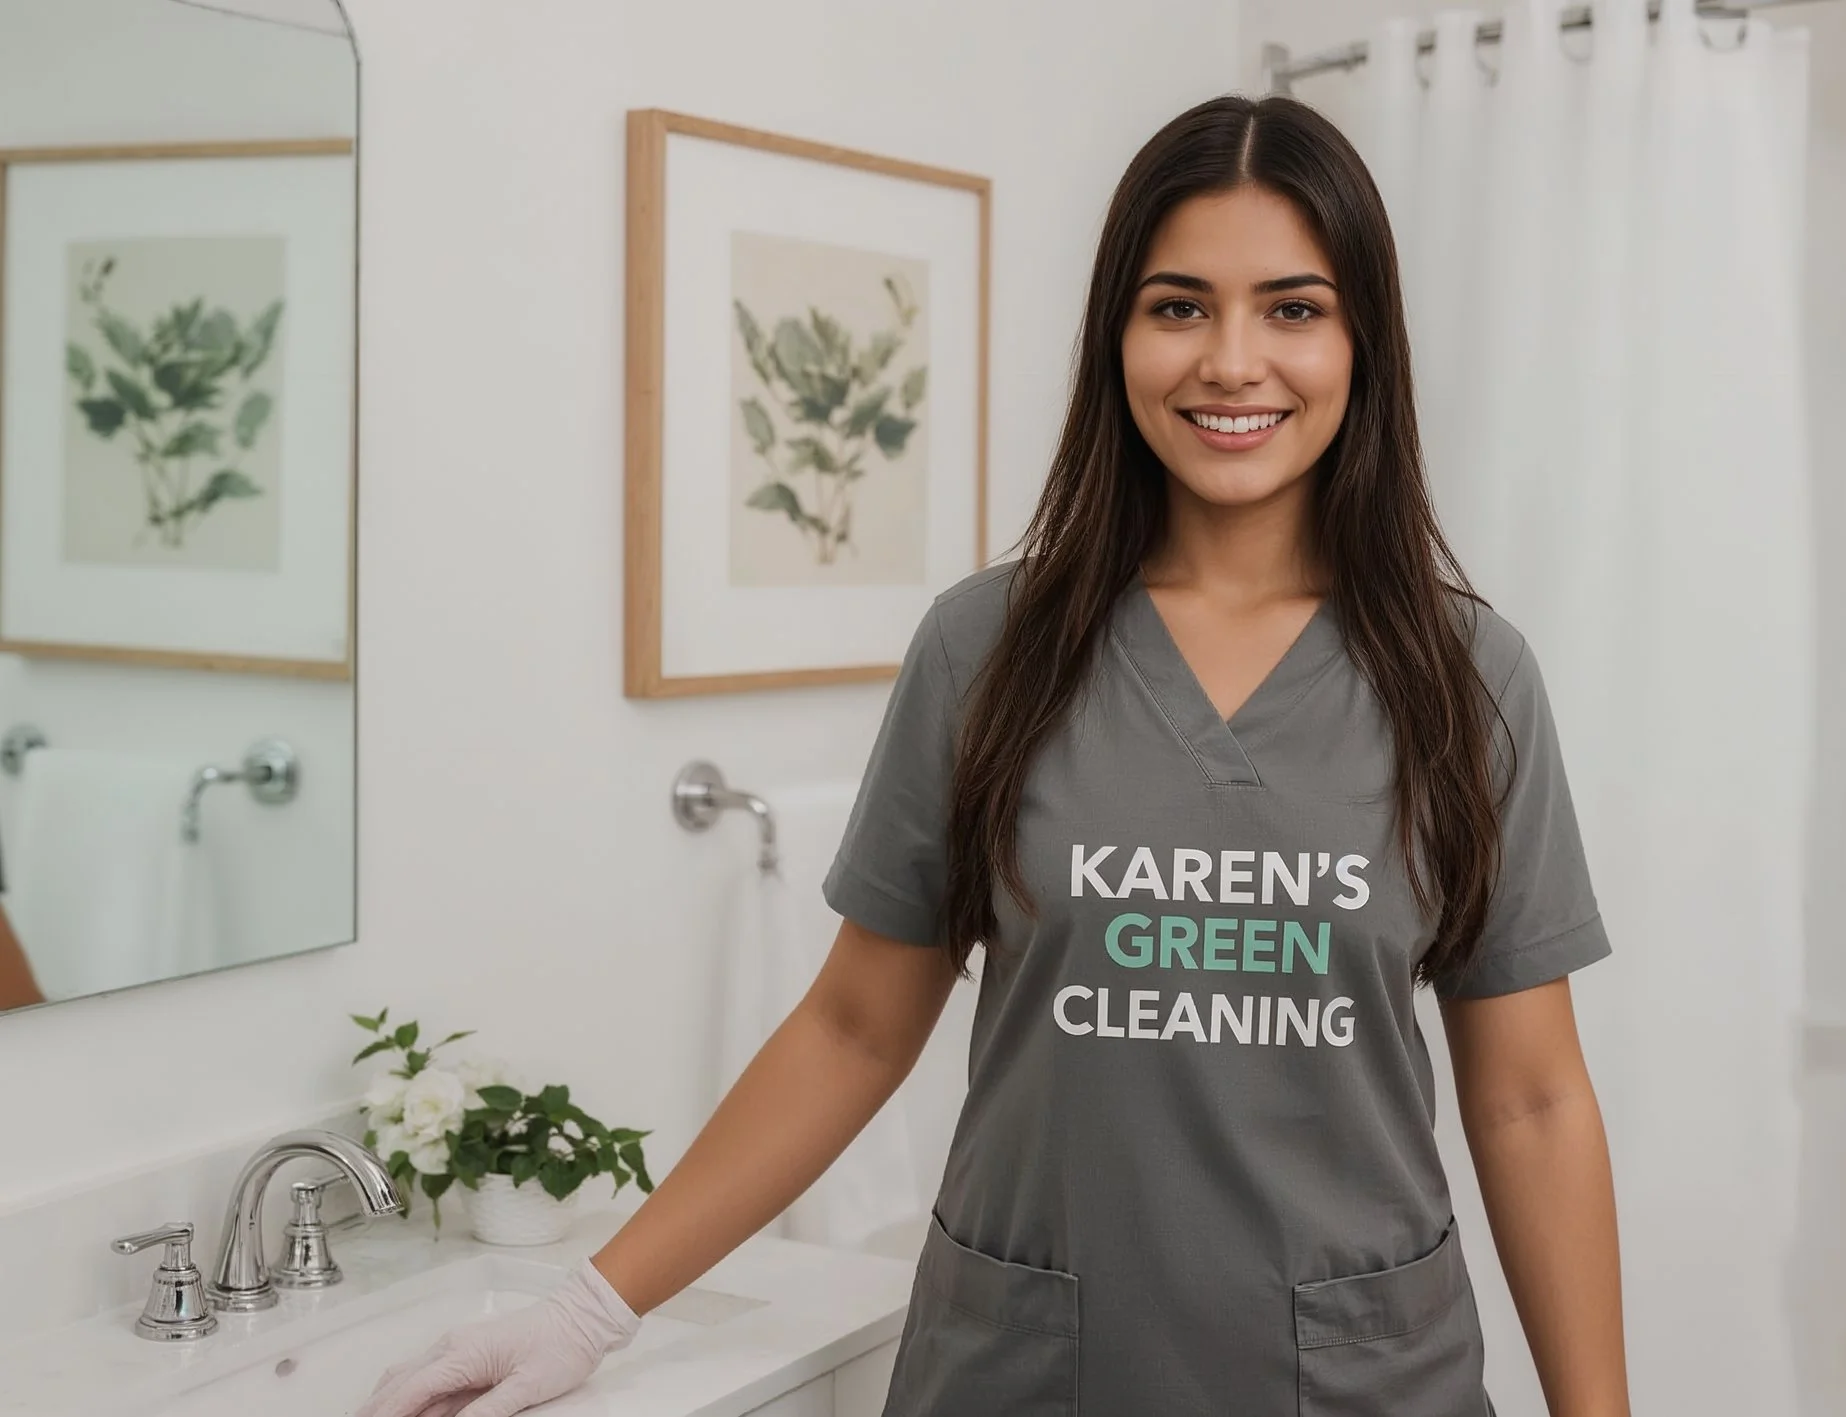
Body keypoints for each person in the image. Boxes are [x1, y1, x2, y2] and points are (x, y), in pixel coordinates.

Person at [356, 93, 1628, 1417]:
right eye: (1179, 305)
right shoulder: (988, 652)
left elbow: (1533, 1102)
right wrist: (587, 1309)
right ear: (1116, 336)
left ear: (1363, 338)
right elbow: (854, 1026)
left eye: (1294, 308)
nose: (1233, 361)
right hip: (1026, 1372)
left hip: (1362, 1379)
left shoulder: (1466, 681)